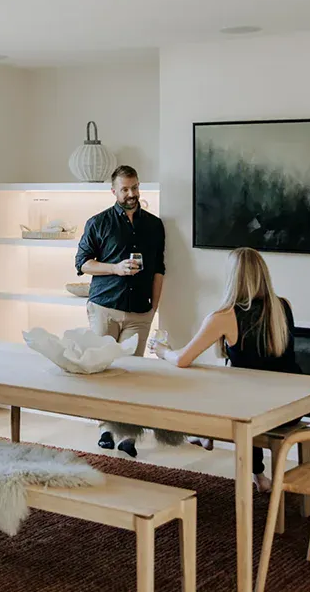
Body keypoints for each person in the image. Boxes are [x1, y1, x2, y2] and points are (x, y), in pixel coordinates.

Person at [147, 246, 301, 492]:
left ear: (232, 277)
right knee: (243, 388)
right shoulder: (283, 307)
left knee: (211, 385)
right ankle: (258, 475)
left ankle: (204, 431)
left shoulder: (225, 316)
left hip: (255, 412)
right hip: (291, 407)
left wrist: (163, 350)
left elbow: (183, 359)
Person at [74, 165, 183, 457]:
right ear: (114, 191)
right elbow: (82, 264)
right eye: (125, 189)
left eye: (135, 187)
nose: (131, 194)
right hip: (104, 308)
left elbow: (159, 269)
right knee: (103, 370)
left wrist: (153, 309)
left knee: (132, 374)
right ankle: (106, 428)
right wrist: (115, 268)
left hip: (140, 312)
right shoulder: (98, 222)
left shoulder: (154, 224)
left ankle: (128, 434)